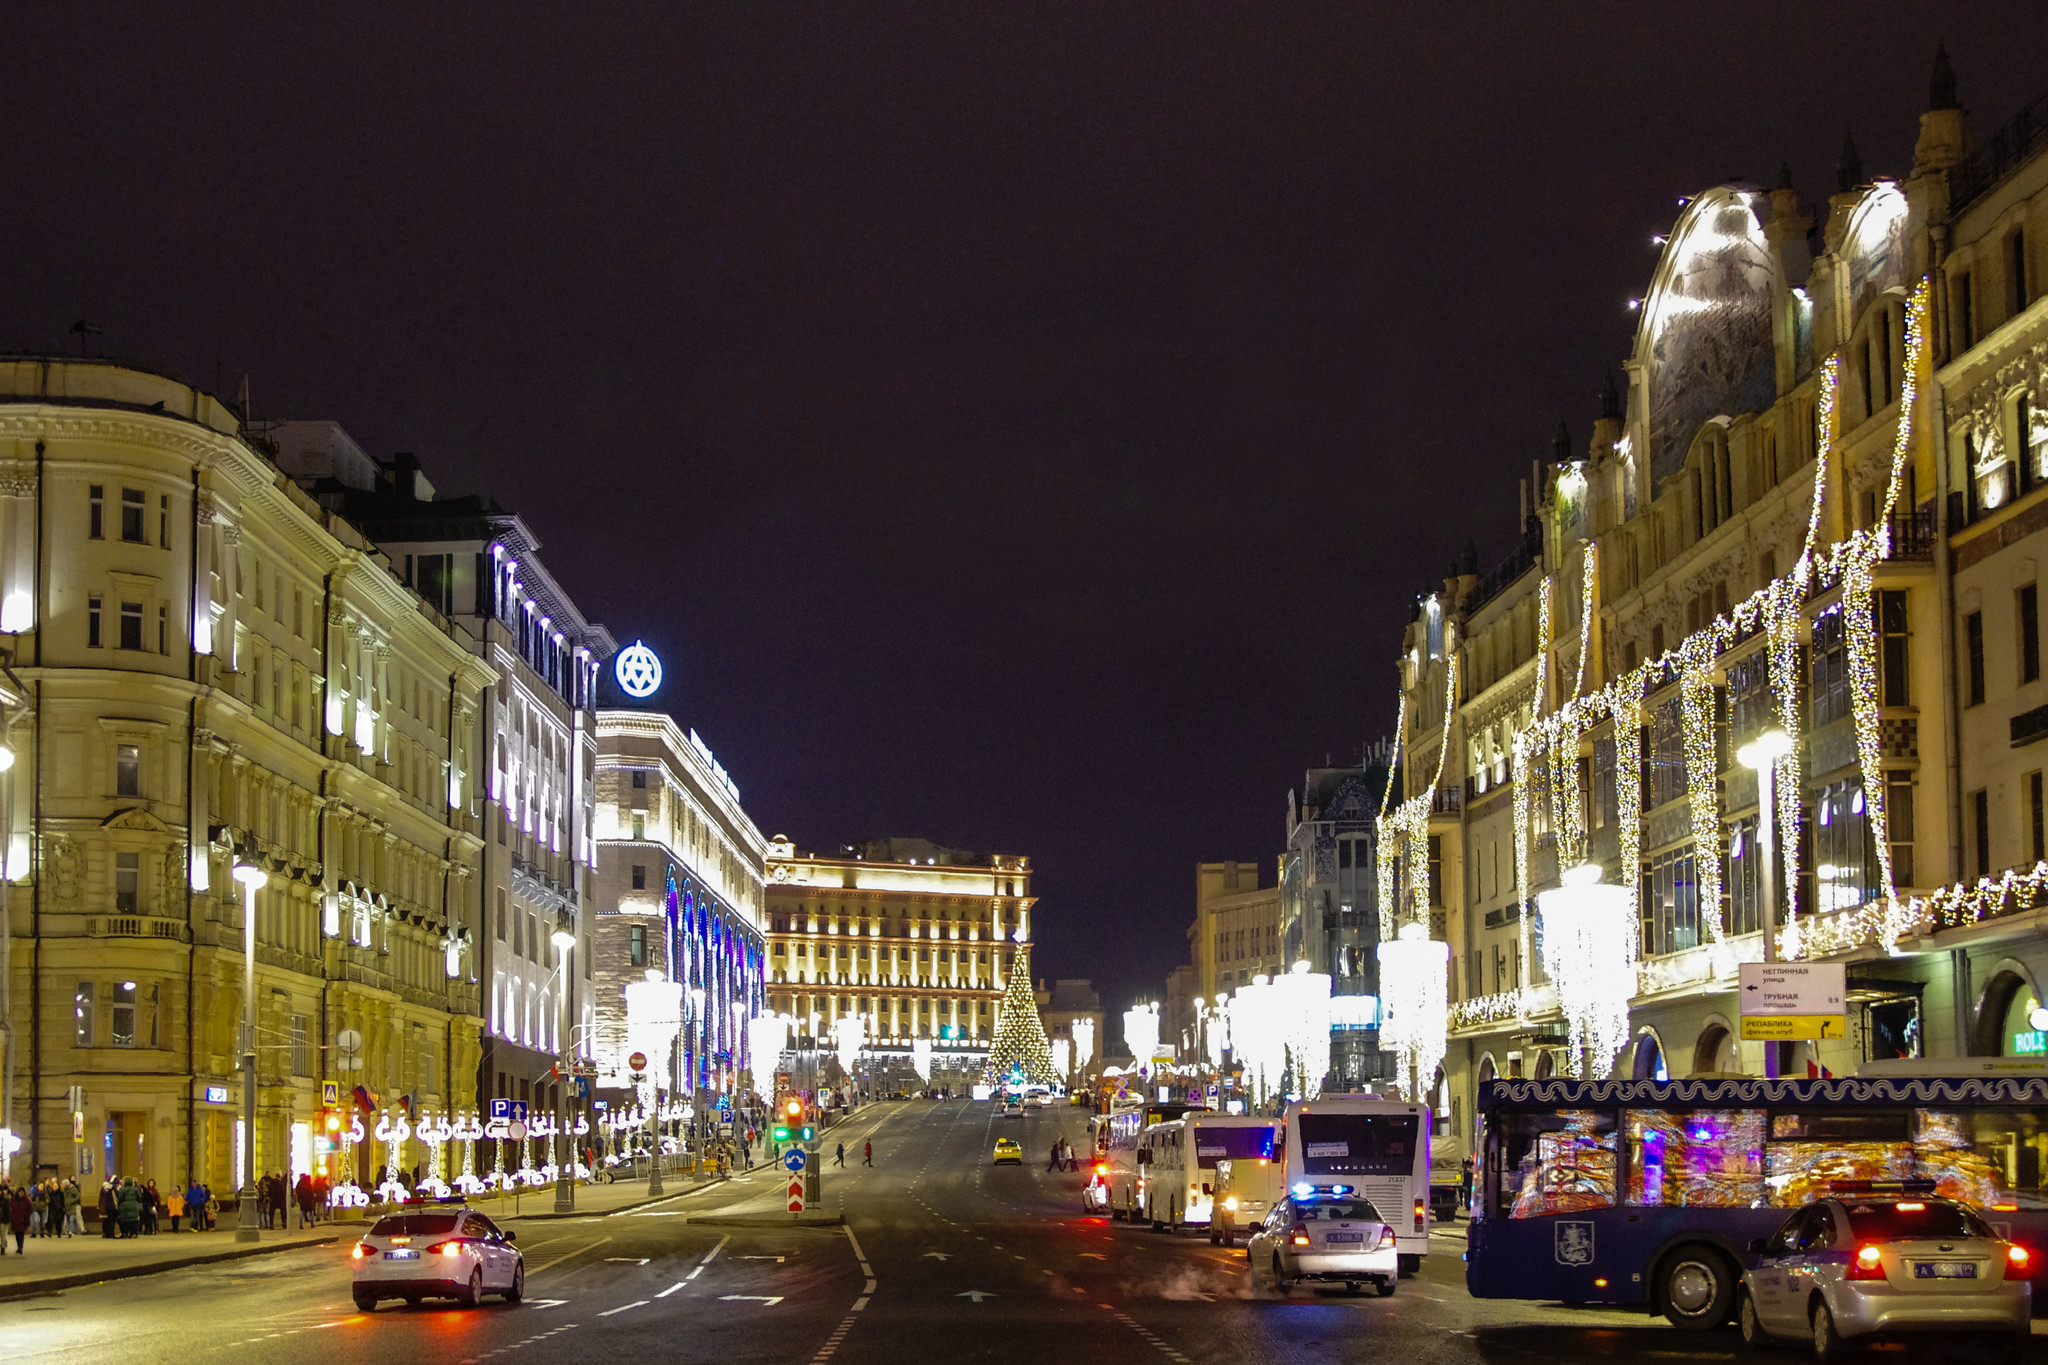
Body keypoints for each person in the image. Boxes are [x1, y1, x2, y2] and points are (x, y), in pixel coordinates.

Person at [7, 1183, 29, 1254]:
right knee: (17, 1234)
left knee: (21, 1234)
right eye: (20, 1192)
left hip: (23, 1220)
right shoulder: (13, 1199)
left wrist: (26, 1214)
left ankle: (20, 1247)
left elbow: (30, 1208)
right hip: (15, 1219)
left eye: (22, 1192)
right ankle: (19, 1246)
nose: (21, 1193)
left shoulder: (26, 1200)